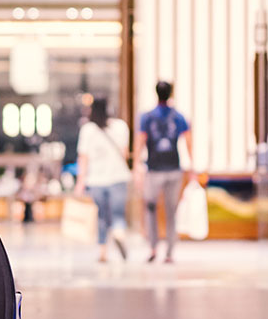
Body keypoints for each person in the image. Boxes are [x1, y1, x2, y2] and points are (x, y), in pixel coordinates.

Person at [135, 81, 194, 263]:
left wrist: (137, 164)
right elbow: (188, 141)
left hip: (154, 169)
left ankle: (153, 247)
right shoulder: (178, 116)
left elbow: (140, 141)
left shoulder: (147, 117)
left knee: (150, 208)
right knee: (171, 211)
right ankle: (169, 251)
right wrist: (191, 166)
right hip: (173, 169)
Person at [74, 97, 131, 262]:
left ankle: (102, 252)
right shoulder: (121, 127)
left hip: (96, 180)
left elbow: (83, 158)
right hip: (118, 177)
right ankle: (119, 233)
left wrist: (80, 182)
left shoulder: (88, 130)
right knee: (118, 214)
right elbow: (125, 154)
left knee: (101, 216)